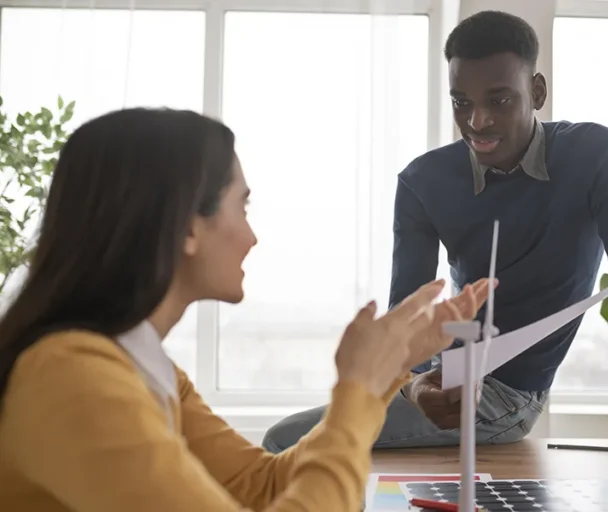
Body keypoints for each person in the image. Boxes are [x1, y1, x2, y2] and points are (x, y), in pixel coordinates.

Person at [0, 107, 491, 512]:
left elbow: (260, 485)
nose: (252, 237)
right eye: (243, 207)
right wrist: (357, 390)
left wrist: (384, 372)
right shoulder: (73, 378)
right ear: (187, 227)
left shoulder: (141, 369)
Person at [262, 9, 608, 454]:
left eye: (499, 101)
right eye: (462, 102)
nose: (477, 121)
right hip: (443, 382)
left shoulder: (595, 156)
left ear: (536, 92)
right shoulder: (422, 183)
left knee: (283, 442)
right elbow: (410, 322)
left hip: (508, 398)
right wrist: (418, 386)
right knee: (289, 442)